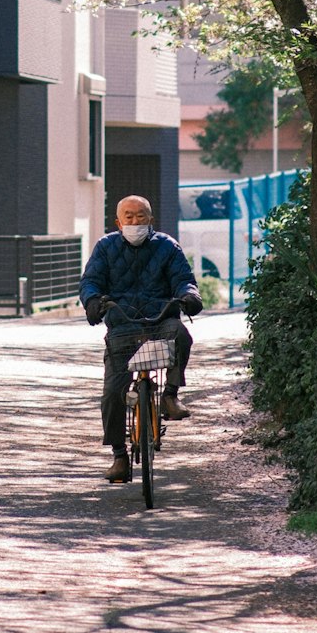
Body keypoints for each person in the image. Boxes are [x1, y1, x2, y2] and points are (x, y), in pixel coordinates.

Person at [79, 194, 203, 483]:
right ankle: (120, 456)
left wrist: (189, 296)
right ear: (118, 222)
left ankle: (170, 396)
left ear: (151, 219)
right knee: (112, 393)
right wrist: (93, 301)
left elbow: (184, 278)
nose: (135, 221)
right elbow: (90, 281)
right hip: (122, 326)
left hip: (160, 320)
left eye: (141, 216)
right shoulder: (105, 247)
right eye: (129, 217)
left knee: (181, 334)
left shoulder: (167, 246)